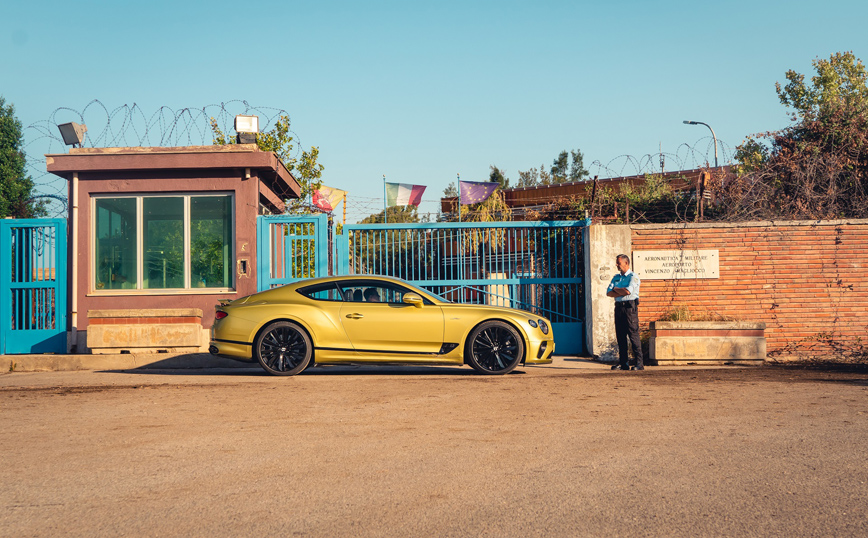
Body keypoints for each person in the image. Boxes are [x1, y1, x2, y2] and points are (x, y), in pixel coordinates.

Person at [606, 254, 644, 371]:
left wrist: (616, 289)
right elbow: (608, 293)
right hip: (619, 308)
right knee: (620, 336)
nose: (617, 265)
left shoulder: (633, 277)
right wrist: (619, 291)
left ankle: (639, 363)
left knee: (633, 335)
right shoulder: (616, 277)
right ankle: (624, 363)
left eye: (619, 263)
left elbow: (628, 291)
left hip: (629, 308)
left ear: (626, 263)